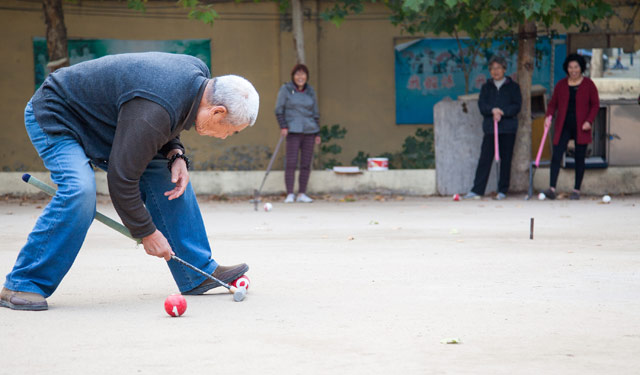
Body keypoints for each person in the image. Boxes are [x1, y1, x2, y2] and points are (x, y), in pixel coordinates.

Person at [0, 52, 260, 311]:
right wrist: (146, 232)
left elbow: (168, 116)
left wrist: (175, 153)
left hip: (108, 123)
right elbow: (122, 179)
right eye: (231, 130)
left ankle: (197, 272)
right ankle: (23, 284)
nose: (226, 137)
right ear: (217, 112)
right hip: (58, 115)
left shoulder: (197, 78)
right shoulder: (154, 111)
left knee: (167, 173)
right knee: (80, 191)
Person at [542, 53, 599, 200]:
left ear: (581, 68)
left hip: (582, 126)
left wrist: (589, 121)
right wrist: (548, 117)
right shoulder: (561, 84)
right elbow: (552, 104)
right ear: (566, 69)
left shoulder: (588, 84)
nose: (573, 70)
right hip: (563, 125)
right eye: (570, 67)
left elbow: (595, 105)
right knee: (556, 155)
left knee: (580, 158)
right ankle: (551, 188)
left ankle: (576, 190)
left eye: (576, 67)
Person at [464, 56, 522, 200]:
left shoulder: (513, 86)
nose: (495, 71)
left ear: (504, 69)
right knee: (485, 158)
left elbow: (516, 106)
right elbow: (482, 105)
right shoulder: (486, 87)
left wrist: (503, 112)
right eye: (492, 69)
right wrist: (492, 110)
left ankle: (502, 190)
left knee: (506, 159)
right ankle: (477, 190)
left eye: (498, 68)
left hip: (507, 128)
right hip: (491, 129)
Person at [275, 64, 321, 203]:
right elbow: (279, 110)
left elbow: (315, 113)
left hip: (309, 131)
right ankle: (290, 193)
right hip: (292, 130)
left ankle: (302, 193)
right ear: (293, 76)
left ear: (306, 76)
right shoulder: (286, 90)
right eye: (297, 74)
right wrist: (283, 126)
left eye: (303, 74)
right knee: (291, 162)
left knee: (306, 163)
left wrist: (317, 132)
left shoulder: (310, 91)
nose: (300, 77)